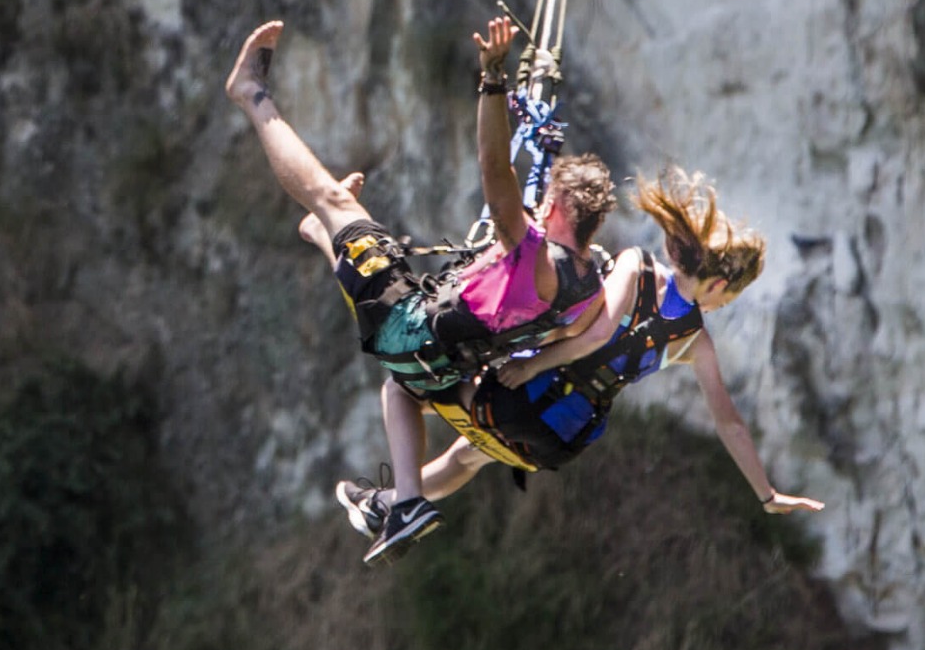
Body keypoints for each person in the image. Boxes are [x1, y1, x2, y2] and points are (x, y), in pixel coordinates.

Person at [226, 15, 617, 565]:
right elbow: (585, 331)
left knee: (332, 201)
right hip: (445, 364)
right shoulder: (590, 289)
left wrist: (493, 76)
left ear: (551, 208)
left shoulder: (528, 248)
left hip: (409, 328)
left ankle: (250, 95)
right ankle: (408, 500)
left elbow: (493, 168)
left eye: (542, 201)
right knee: (400, 386)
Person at [334, 168, 823, 543]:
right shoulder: (697, 342)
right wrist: (767, 492)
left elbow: (594, 333)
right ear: (718, 284)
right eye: (727, 300)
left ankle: (401, 503)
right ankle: (384, 502)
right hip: (559, 437)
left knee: (408, 382)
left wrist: (530, 364)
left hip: (524, 394)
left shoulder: (639, 266)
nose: (720, 306)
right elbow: (730, 423)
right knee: (469, 456)